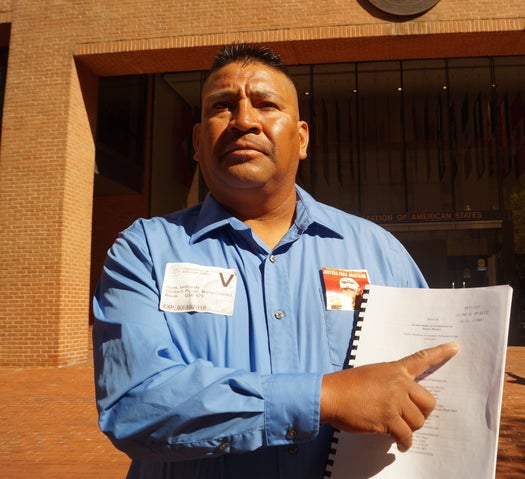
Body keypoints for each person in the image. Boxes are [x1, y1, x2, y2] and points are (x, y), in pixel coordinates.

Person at [92, 43, 459, 479]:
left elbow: (430, 388)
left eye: (266, 104)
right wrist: (325, 397)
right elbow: (134, 406)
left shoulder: (379, 251)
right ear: (196, 141)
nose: (244, 120)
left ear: (301, 138)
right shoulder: (144, 251)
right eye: (222, 107)